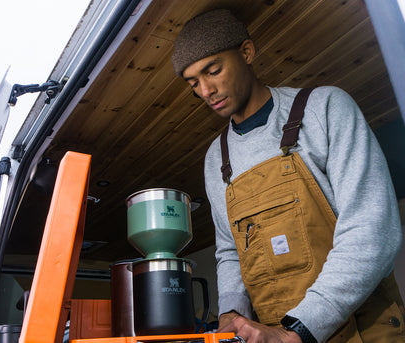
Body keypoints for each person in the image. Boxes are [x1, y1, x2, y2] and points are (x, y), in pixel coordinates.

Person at [171, 9, 404, 343]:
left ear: (247, 53)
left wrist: (297, 331)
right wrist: (231, 315)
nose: (206, 90)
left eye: (213, 70)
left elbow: (373, 230)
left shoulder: (324, 108)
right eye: (194, 83)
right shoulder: (215, 158)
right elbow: (229, 251)